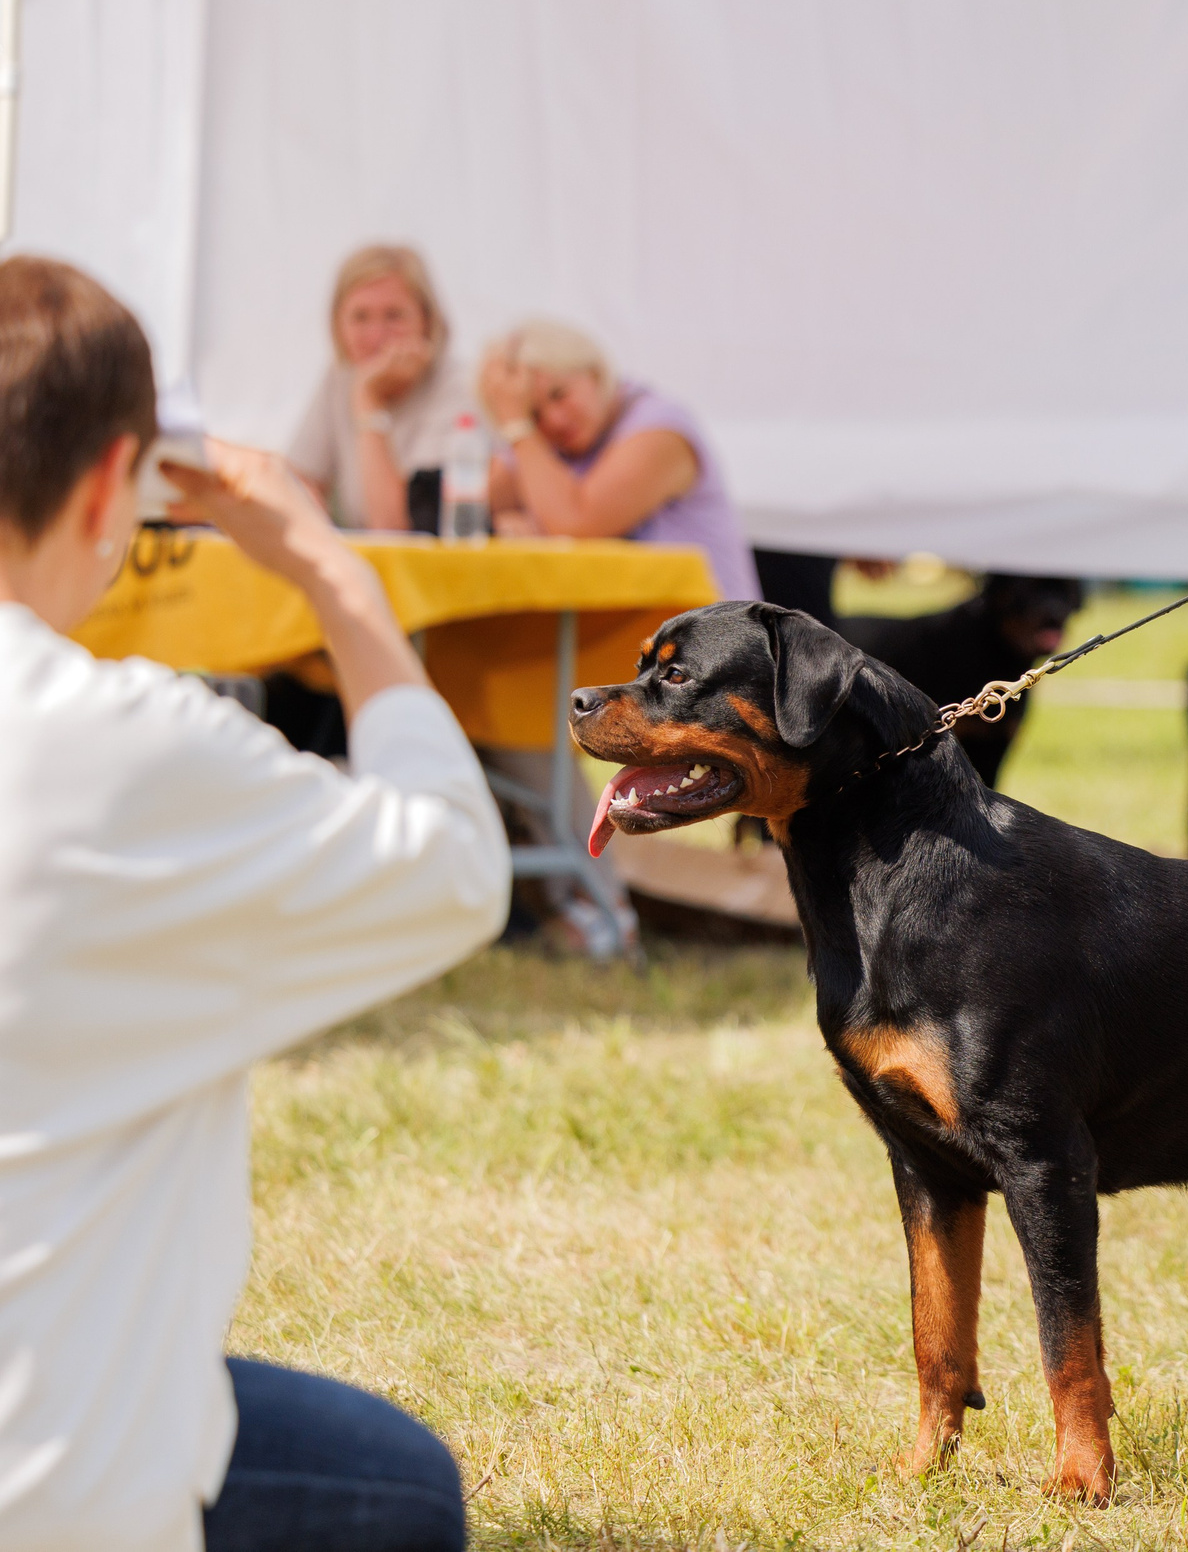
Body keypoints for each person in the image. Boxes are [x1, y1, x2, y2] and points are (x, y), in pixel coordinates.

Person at [0, 257, 510, 1548]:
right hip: (53, 1483)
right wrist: (331, 574)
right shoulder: (125, 748)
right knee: (405, 1500)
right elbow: (453, 862)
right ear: (119, 479)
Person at [477, 318, 761, 600]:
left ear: (594, 372)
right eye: (533, 414)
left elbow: (576, 525)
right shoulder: (548, 444)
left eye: (559, 395)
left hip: (715, 638)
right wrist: (507, 520)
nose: (554, 420)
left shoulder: (659, 429)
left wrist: (518, 427)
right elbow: (474, 502)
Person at [285, 244, 477, 531]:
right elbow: (299, 477)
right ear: (337, 323)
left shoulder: (459, 387)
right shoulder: (341, 377)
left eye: (394, 316)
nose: (376, 337)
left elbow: (392, 525)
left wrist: (368, 401)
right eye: (360, 317)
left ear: (426, 320)